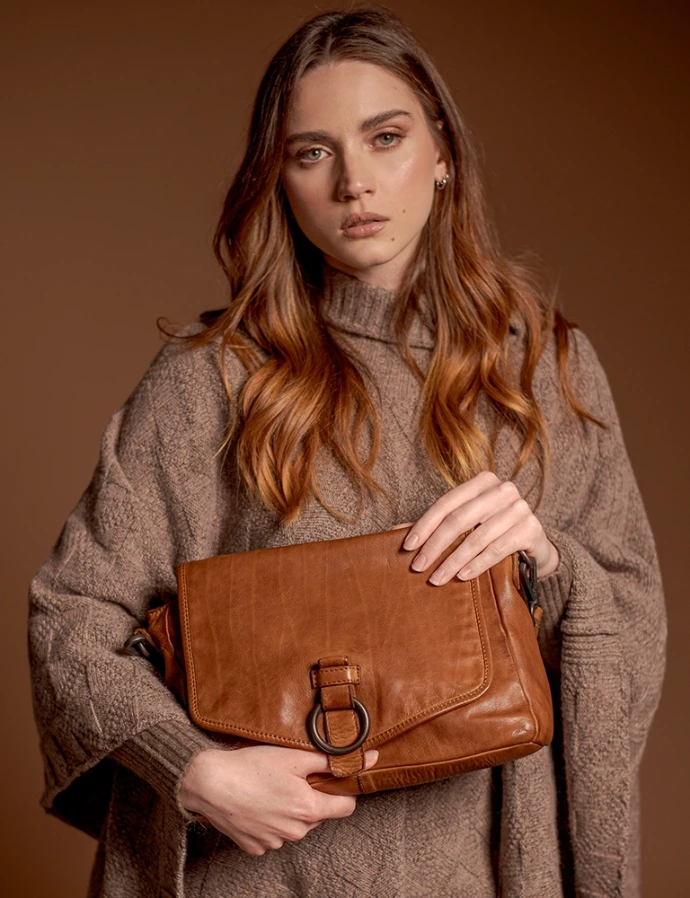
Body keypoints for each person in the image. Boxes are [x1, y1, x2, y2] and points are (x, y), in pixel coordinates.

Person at [28, 7, 666, 898]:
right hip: (255, 876)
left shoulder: (549, 370)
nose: (355, 182)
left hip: (489, 874)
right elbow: (71, 618)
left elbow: (627, 624)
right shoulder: (205, 382)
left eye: (386, 136)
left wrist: (550, 565)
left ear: (442, 153)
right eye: (312, 152)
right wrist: (194, 771)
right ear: (279, 180)